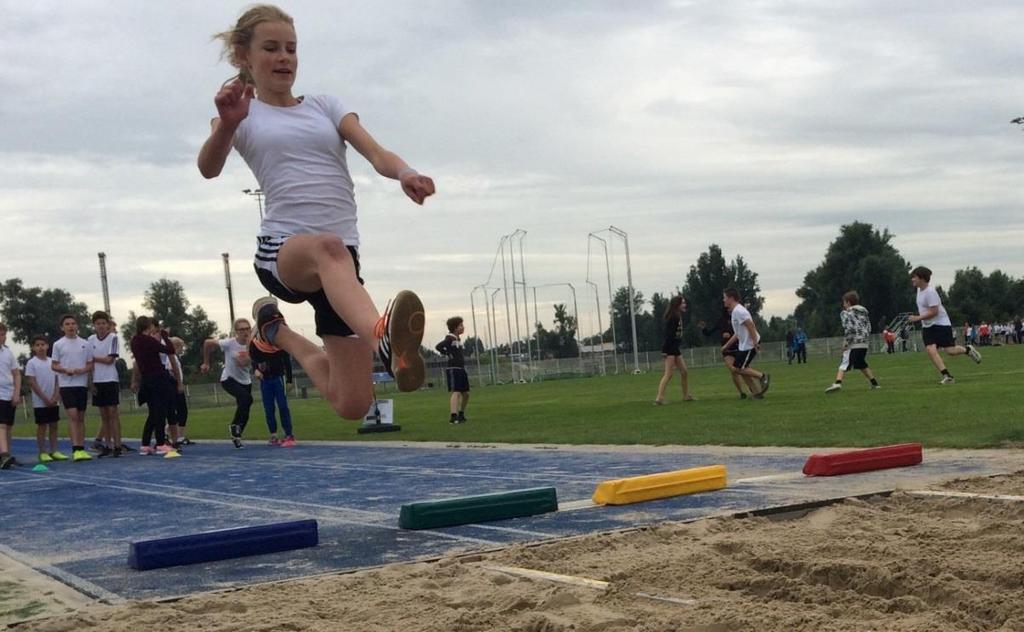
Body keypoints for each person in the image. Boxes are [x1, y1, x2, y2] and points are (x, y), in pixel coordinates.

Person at [197, 5, 434, 425]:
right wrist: (227, 126)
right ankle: (382, 337)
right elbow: (208, 167)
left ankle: (277, 333)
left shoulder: (326, 106)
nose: (285, 57)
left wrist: (406, 173)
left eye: (291, 48)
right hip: (284, 251)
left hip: (341, 267)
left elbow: (376, 153)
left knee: (352, 404)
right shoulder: (241, 117)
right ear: (243, 56)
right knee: (327, 247)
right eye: (271, 48)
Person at [907, 266, 981, 384]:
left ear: (922, 278)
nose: (912, 279)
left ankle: (968, 350)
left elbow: (934, 312)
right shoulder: (918, 290)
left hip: (940, 323)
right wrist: (921, 320)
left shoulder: (930, 292)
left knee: (950, 351)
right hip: (927, 326)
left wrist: (917, 318)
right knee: (930, 349)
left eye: (914, 277)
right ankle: (947, 376)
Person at [130, 316, 180, 457]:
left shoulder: (134, 341)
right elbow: (169, 350)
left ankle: (145, 444)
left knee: (152, 412)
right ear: (148, 327)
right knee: (160, 411)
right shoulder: (148, 340)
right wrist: (165, 335)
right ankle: (160, 443)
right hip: (158, 377)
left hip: (146, 378)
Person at [202, 319, 254, 448]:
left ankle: (237, 436)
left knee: (246, 409)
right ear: (236, 332)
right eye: (241, 329)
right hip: (229, 379)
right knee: (246, 398)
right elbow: (207, 343)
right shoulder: (229, 343)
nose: (245, 332)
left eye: (247, 329)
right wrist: (207, 362)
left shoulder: (254, 345)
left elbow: (249, 362)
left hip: (245, 380)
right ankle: (234, 426)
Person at [249, 311, 296, 446]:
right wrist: (256, 370)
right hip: (265, 380)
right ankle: (273, 434)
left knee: (283, 406)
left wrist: (289, 380)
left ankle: (289, 434)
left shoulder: (278, 343)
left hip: (278, 378)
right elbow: (253, 360)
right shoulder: (255, 344)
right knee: (268, 408)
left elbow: (287, 361)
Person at [51, 315, 93, 462]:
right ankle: (75, 448)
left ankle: (81, 447)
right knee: (73, 415)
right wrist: (64, 370)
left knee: (81, 417)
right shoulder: (58, 344)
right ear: (62, 327)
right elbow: (54, 365)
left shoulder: (85, 343)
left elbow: (90, 364)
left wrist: (82, 371)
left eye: (73, 323)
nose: (71, 326)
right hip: (66, 384)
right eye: (67, 324)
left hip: (81, 384)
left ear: (77, 326)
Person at [825, 291, 880, 393]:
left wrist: (846, 342)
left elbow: (849, 328)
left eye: (844, 302)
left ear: (848, 303)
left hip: (854, 343)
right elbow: (869, 327)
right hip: (864, 342)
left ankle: (838, 383)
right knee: (861, 363)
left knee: (844, 362)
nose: (843, 305)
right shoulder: (864, 312)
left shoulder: (846, 313)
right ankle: (874, 384)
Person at [721, 289, 770, 399]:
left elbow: (750, 325)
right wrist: (726, 346)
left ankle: (762, 377)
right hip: (744, 345)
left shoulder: (739, 311)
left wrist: (755, 343)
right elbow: (738, 333)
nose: (723, 300)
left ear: (731, 298)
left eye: (725, 297)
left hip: (749, 344)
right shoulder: (735, 312)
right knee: (741, 369)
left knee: (737, 368)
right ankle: (756, 393)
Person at [25, 335, 66, 463]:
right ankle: (42, 452)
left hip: (54, 400)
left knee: (54, 425)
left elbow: (58, 380)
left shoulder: (52, 362)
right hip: (40, 402)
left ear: (48, 346)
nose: (41, 347)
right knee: (42, 426)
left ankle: (54, 450)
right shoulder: (31, 363)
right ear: (33, 348)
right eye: (37, 345)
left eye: (43, 344)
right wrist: (44, 398)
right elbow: (32, 382)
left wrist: (55, 396)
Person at [87, 311, 123, 457]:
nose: (101, 326)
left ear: (107, 324)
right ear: (94, 325)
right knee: (104, 416)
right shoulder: (90, 340)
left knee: (113, 413)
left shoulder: (113, 338)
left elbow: (110, 360)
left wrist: (94, 358)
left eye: (103, 323)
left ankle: (117, 445)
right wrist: (91, 382)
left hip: (110, 379)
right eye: (98, 323)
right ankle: (107, 444)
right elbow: (88, 362)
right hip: (97, 380)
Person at [699, 307, 752, 399]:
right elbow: (709, 333)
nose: (730, 310)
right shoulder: (721, 321)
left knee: (742, 370)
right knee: (733, 370)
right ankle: (742, 393)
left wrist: (730, 335)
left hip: (739, 348)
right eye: (727, 309)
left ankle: (753, 389)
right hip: (727, 350)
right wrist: (704, 328)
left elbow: (742, 332)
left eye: (731, 309)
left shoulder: (737, 318)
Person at [653, 297, 694, 405]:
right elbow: (668, 335)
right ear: (677, 305)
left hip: (675, 348)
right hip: (670, 349)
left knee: (684, 371)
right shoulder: (673, 318)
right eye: (683, 303)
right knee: (668, 374)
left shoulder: (678, 316)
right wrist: (665, 350)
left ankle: (686, 396)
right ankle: (659, 398)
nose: (685, 305)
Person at [435, 316, 470, 423]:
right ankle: (453, 416)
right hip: (453, 368)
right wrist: (447, 353)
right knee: (456, 392)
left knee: (466, 393)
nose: (463, 327)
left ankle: (461, 414)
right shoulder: (449, 338)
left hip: (461, 368)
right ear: (455, 328)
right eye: (460, 325)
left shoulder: (457, 339)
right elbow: (438, 346)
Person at [0, 323, 21, 469]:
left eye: (4, 334)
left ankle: (7, 455)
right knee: (1, 425)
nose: (3, 337)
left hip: (9, 392)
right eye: (1, 334)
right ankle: (4, 454)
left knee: (8, 426)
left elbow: (16, 374)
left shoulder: (7, 352)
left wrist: (16, 393)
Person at [168, 337, 193, 447]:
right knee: (181, 411)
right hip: (174, 385)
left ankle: (178, 435)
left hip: (176, 384)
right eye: (181, 347)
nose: (182, 349)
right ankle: (176, 435)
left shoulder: (175, 357)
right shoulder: (171, 357)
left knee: (181, 411)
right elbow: (171, 370)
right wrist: (179, 383)